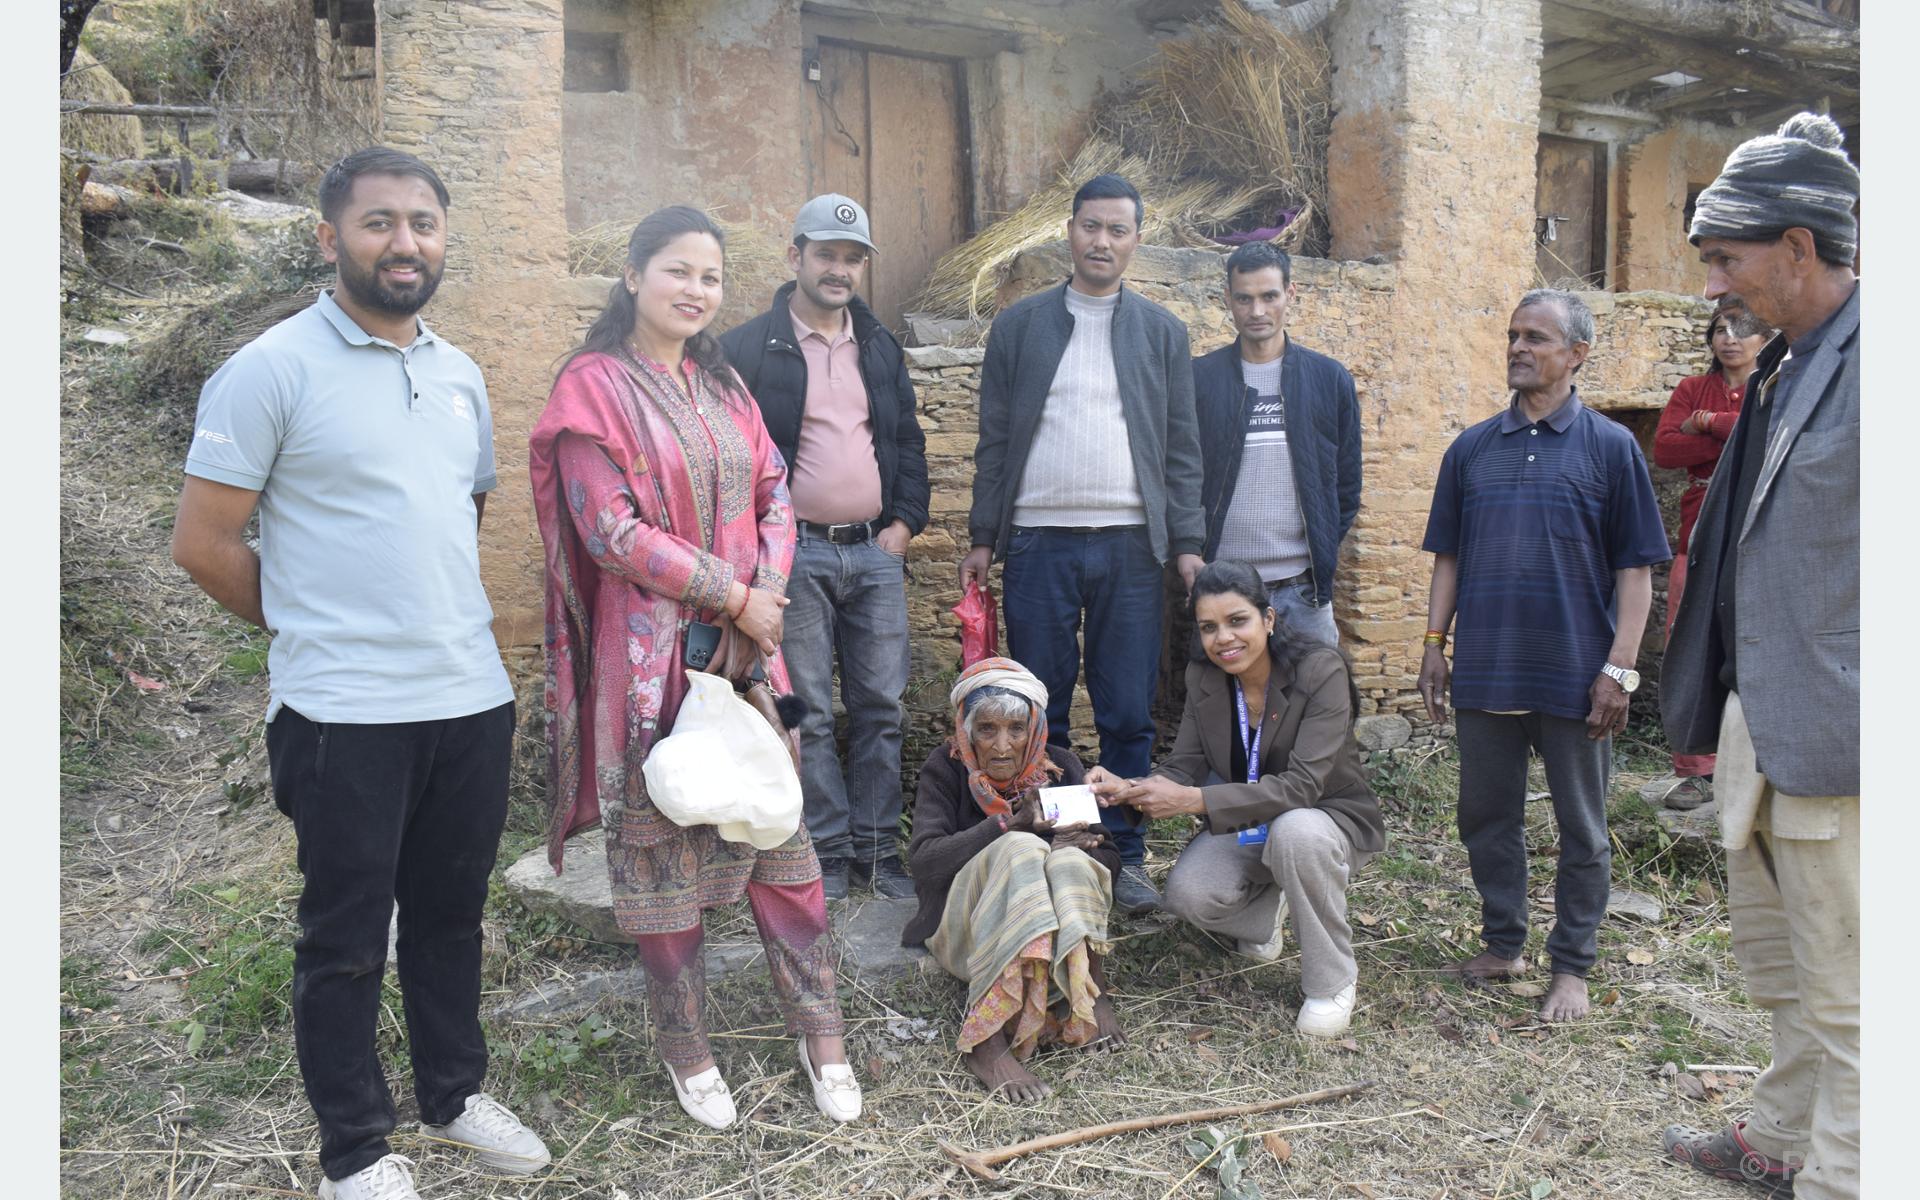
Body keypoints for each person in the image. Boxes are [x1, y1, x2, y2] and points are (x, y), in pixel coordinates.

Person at [170, 147, 548, 1200]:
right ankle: (356, 1151)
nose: (405, 242)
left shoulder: (461, 371)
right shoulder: (270, 370)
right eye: (379, 222)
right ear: (329, 238)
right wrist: (311, 629)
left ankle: (454, 1093)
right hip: (344, 712)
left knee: (451, 914)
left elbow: (458, 517)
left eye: (423, 222)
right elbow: (203, 544)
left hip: (468, 699)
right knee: (343, 936)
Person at [528, 206, 860, 1132]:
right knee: (665, 856)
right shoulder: (593, 387)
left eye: (710, 278)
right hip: (649, 668)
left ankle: (820, 1031)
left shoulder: (725, 389)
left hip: (749, 657)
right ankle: (687, 1046)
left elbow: (774, 494)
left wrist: (766, 600)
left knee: (780, 847)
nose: (695, 291)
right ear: (633, 276)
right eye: (678, 271)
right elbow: (610, 531)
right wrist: (732, 593)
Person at [1658, 113, 1859, 1200]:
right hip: (1760, 719)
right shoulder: (1789, 363)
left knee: (1854, 992)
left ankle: (1845, 1177)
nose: (1712, 289)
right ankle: (1781, 1141)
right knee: (1781, 967)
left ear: (1797, 247)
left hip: (1844, 731)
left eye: (1727, 260)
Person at [1417, 289, 1669, 1023]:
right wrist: (1434, 646)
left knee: (1582, 828)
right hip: (1488, 670)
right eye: (1513, 336)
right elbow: (1449, 558)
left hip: (1575, 676)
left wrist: (1619, 670)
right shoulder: (1471, 449)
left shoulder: (1611, 448)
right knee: (1485, 816)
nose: (1519, 348)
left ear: (1578, 354)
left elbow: (1635, 575)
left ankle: (1572, 968)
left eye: (1537, 337)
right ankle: (1504, 945)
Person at [959, 172, 1208, 915]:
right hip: (1039, 542)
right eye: (1090, 227)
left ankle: (1124, 857)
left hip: (1133, 547)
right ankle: (1068, 848)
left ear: (1136, 240)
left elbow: (1182, 447)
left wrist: (1187, 543)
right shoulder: (1022, 326)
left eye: (1118, 230)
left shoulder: (1161, 332)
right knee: (1047, 707)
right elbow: (995, 437)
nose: (1103, 241)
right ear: (1068, 231)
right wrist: (983, 534)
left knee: (1127, 708)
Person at [719, 194, 929, 901]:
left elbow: (904, 440)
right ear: (796, 257)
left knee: (881, 707)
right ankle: (829, 855)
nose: (839, 270)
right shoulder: (748, 347)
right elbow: (729, 456)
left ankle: (878, 852)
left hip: (875, 553)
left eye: (852, 258)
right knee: (803, 706)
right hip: (793, 558)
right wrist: (754, 555)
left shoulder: (878, 345)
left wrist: (903, 526)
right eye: (826, 255)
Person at [1088, 560, 1384, 1038]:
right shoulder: (1206, 677)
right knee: (1188, 896)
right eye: (1209, 627)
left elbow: (1301, 788)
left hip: (1327, 819)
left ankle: (1332, 981)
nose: (1223, 638)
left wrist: (1193, 801)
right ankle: (1266, 920)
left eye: (1237, 621)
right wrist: (1130, 788)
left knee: (1296, 832)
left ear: (1268, 619)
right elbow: (1182, 764)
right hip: (1246, 823)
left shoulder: (1318, 669)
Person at [902, 658, 1125, 1101]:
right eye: (987, 729)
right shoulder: (945, 768)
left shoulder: (1060, 765)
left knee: (1068, 861)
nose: (1002, 746)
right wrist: (1005, 826)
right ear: (966, 732)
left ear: (1036, 729)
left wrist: (1086, 845)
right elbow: (924, 865)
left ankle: (1090, 990)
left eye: (1016, 729)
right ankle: (986, 1041)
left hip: (1047, 930)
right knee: (1021, 847)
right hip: (966, 930)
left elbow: (1112, 865)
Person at [1193, 241, 1362, 645]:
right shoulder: (1199, 379)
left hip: (1303, 590)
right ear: (1228, 300)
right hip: (1223, 590)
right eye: (1244, 298)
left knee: (1314, 701)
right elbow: (1180, 476)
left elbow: (1346, 486)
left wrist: (1316, 546)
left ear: (1290, 294)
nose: (1257, 311)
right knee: (1228, 707)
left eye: (1269, 296)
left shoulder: (1328, 379)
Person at [1647, 301, 1775, 807]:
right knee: (1690, 634)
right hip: (1697, 533)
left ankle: (1758, 764)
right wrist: (1725, 430)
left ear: (1765, 338)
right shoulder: (1690, 390)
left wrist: (1707, 425)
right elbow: (1665, 451)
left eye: (1741, 329)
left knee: (1755, 639)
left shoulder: (1774, 387)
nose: (1729, 338)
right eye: (1719, 329)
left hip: (1756, 528)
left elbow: (1761, 445)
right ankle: (1697, 771)